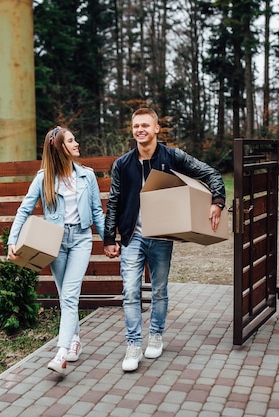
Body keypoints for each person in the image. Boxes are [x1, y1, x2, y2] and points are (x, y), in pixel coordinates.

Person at [103, 108, 226, 372]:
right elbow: (113, 201)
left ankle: (156, 335)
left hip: (161, 236)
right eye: (136, 126)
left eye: (145, 125)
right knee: (130, 291)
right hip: (131, 237)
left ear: (157, 129)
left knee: (159, 290)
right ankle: (133, 344)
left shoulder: (171, 156)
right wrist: (108, 237)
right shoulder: (122, 165)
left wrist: (217, 201)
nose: (140, 130)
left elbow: (211, 173)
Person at [7, 126, 106, 376]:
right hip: (56, 243)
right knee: (65, 296)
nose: (77, 144)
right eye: (71, 141)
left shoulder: (87, 176)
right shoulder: (44, 178)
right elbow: (24, 210)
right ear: (60, 147)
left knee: (70, 295)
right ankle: (74, 339)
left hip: (82, 239)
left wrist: (109, 241)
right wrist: (12, 241)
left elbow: (97, 212)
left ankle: (61, 353)